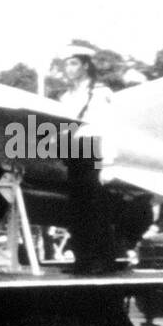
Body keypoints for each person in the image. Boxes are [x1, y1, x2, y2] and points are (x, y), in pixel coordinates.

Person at [56, 44, 120, 274]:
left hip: (92, 150)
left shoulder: (100, 93)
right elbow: (63, 128)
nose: (68, 68)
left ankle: (101, 261)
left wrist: (107, 164)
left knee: (95, 209)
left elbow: (109, 129)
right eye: (66, 64)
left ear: (85, 65)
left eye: (73, 63)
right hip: (73, 153)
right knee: (76, 210)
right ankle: (83, 260)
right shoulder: (66, 97)